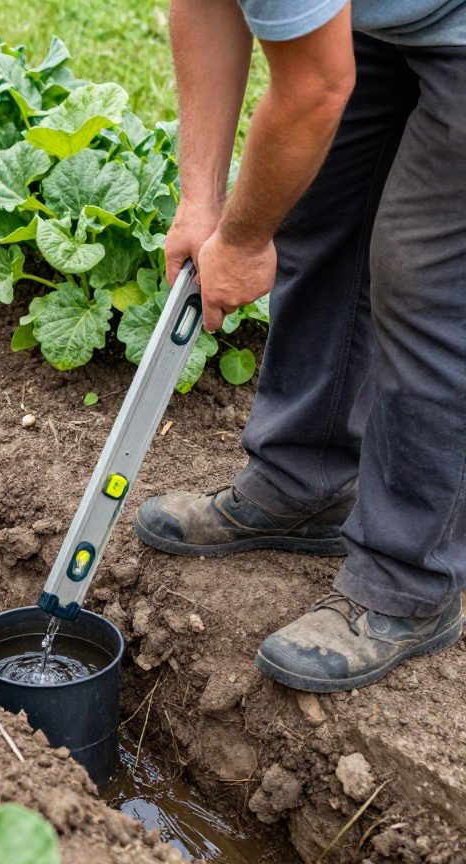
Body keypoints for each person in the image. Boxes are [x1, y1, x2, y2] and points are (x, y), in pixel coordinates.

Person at [134, 0, 465, 693]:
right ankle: (302, 482)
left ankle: (408, 580)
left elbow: (314, 87)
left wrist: (247, 240)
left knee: (426, 276)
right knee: (321, 210)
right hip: (386, 18)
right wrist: (202, 203)